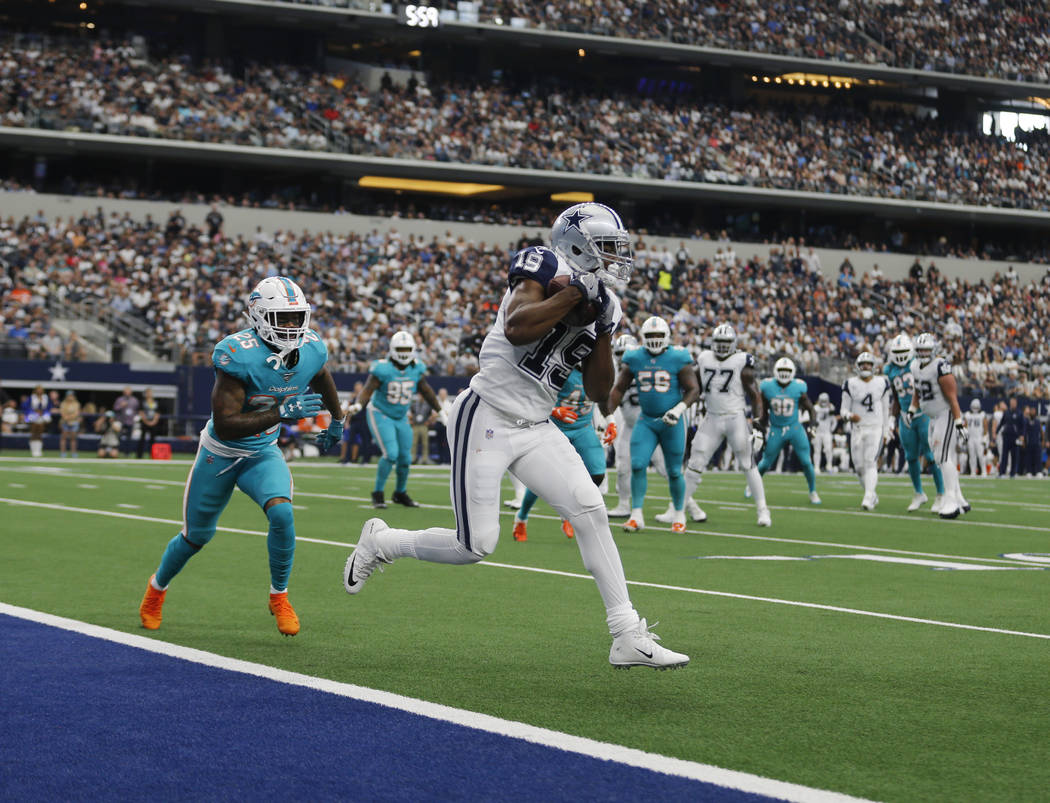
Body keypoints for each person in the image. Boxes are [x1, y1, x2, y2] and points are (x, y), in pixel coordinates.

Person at [342, 202, 689, 669]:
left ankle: (626, 633)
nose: (614, 259)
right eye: (606, 248)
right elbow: (517, 326)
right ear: (577, 245)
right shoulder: (542, 265)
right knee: (475, 546)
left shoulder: (609, 304)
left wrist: (603, 328)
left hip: (536, 425)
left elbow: (598, 391)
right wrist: (571, 298)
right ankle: (382, 543)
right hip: (486, 414)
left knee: (591, 510)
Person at [139, 276, 343, 637]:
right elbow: (228, 424)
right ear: (260, 316)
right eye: (284, 318)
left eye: (297, 318)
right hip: (220, 453)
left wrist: (337, 420)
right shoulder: (237, 354)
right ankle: (156, 589)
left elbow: (322, 376)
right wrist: (283, 412)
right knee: (196, 536)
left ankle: (279, 595)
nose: (294, 326)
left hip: (262, 451)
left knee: (282, 512)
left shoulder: (312, 347)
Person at [604, 315, 699, 533]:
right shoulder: (635, 357)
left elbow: (693, 389)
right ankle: (636, 515)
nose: (654, 339)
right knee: (637, 465)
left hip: (672, 421)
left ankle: (679, 513)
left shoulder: (678, 357)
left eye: (658, 335)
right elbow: (619, 388)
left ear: (667, 336)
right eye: (650, 335)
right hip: (646, 420)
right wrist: (607, 416)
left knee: (674, 471)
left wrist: (678, 410)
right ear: (643, 337)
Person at [344, 331, 448, 509]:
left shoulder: (416, 368)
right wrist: (359, 405)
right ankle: (378, 493)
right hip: (380, 412)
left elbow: (426, 391)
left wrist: (440, 411)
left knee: (405, 458)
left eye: (407, 348)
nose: (404, 352)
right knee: (391, 454)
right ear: (392, 349)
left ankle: (400, 492)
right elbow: (368, 389)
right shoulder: (382, 368)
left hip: (401, 416)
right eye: (401, 348)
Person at [680, 324, 771, 527]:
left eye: (725, 343)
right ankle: (679, 509)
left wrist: (757, 425)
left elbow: (755, 395)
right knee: (695, 463)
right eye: (718, 343)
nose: (721, 347)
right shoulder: (704, 358)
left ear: (734, 344)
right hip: (712, 417)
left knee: (748, 464)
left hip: (735, 417)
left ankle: (763, 510)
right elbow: (695, 387)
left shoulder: (741, 361)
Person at [512, 367, 616, 542]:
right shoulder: (561, 367)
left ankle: (568, 513)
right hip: (555, 427)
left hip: (583, 428)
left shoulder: (597, 368)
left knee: (597, 474)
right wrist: (553, 411)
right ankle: (521, 517)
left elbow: (602, 397)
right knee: (542, 478)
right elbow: (533, 398)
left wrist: (611, 421)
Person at [906, 333, 969, 519]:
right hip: (931, 417)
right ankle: (959, 498)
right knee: (942, 457)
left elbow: (952, 396)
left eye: (926, 349)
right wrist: (911, 409)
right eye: (920, 350)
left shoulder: (941, 366)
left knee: (942, 456)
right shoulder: (915, 366)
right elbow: (918, 390)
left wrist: (958, 422)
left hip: (945, 414)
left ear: (933, 349)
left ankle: (950, 500)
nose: (923, 353)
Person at [885, 333, 946, 512]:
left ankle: (941, 494)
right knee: (910, 457)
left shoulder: (917, 364)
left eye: (904, 350)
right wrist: (892, 418)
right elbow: (896, 398)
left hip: (923, 414)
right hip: (906, 416)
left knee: (930, 455)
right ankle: (919, 493)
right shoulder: (890, 370)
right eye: (898, 351)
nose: (901, 354)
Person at [757, 357, 822, 505]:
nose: (784, 374)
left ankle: (813, 491)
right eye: (781, 370)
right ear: (775, 371)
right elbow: (763, 410)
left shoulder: (798, 387)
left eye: (787, 371)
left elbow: (811, 408)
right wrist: (759, 427)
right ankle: (752, 486)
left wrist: (813, 424)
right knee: (765, 463)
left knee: (806, 462)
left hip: (794, 428)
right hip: (776, 429)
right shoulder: (767, 386)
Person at [842, 352, 891, 510]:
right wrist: (850, 415)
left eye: (868, 364)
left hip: (875, 428)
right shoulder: (850, 383)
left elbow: (885, 409)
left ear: (874, 366)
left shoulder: (882, 383)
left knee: (870, 461)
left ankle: (868, 497)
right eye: (863, 364)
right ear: (857, 366)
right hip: (857, 429)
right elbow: (843, 409)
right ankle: (871, 494)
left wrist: (886, 431)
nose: (865, 367)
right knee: (858, 467)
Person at [22, 384, 52, 458]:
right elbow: (25, 406)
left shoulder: (46, 397)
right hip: (32, 415)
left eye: (41, 389)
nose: (39, 391)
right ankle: (33, 450)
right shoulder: (32, 397)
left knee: (40, 431)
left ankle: (38, 450)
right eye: (38, 389)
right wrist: (34, 411)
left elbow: (49, 407)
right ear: (35, 390)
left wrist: (43, 412)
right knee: (34, 431)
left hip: (43, 415)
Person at [811, 392, 837, 474]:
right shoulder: (815, 408)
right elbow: (812, 420)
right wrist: (813, 431)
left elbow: (834, 420)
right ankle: (816, 467)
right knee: (817, 450)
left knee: (828, 449)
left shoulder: (831, 407)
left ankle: (829, 465)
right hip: (818, 432)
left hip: (826, 432)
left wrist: (831, 430)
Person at [998, 397, 1024, 477]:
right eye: (1011, 402)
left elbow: (1022, 426)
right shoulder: (1006, 412)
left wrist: (1021, 435)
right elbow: (1001, 423)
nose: (1012, 404)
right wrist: (996, 432)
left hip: (1015, 437)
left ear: (1016, 403)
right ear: (1010, 403)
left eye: (1014, 403)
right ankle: (1002, 472)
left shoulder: (1019, 413)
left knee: (1014, 456)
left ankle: (1012, 473)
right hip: (1006, 436)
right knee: (1004, 455)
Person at [112, 386, 140, 456]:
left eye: (128, 391)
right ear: (123, 392)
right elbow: (115, 408)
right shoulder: (119, 399)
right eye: (126, 391)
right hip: (121, 421)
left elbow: (137, 410)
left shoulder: (134, 400)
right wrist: (121, 406)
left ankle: (127, 453)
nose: (127, 393)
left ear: (131, 392)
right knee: (118, 437)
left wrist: (135, 417)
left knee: (129, 439)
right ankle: (116, 451)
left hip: (130, 422)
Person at [963, 399, 988, 476]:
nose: (975, 409)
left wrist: (984, 438)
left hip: (979, 437)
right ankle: (973, 471)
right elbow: (965, 426)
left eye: (976, 407)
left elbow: (985, 427)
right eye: (974, 407)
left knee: (980, 455)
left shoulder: (982, 414)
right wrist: (965, 438)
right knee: (972, 456)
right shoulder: (967, 415)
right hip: (971, 438)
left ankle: (984, 471)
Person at [137, 388, 161, 459]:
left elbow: (157, 413)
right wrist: (146, 421)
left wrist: (154, 421)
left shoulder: (156, 402)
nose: (149, 394)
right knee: (142, 440)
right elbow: (141, 412)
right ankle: (139, 455)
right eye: (147, 393)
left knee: (152, 440)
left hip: (153, 423)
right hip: (145, 423)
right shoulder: (142, 402)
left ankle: (152, 455)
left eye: (150, 393)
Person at [59, 390, 81, 458]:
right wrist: (66, 418)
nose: (70, 397)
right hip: (65, 422)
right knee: (63, 438)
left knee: (73, 438)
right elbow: (62, 412)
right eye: (69, 396)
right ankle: (63, 452)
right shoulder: (63, 403)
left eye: (71, 396)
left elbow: (76, 413)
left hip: (74, 423)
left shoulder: (77, 404)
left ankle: (73, 452)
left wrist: (69, 418)